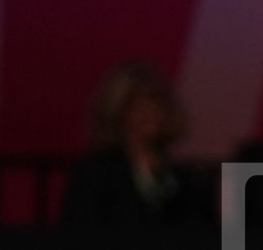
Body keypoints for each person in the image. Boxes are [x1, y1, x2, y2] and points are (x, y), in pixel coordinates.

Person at [59, 60, 212, 227]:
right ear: (118, 111)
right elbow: (79, 232)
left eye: (156, 104)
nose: (149, 113)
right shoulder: (96, 175)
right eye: (138, 105)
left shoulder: (184, 180)